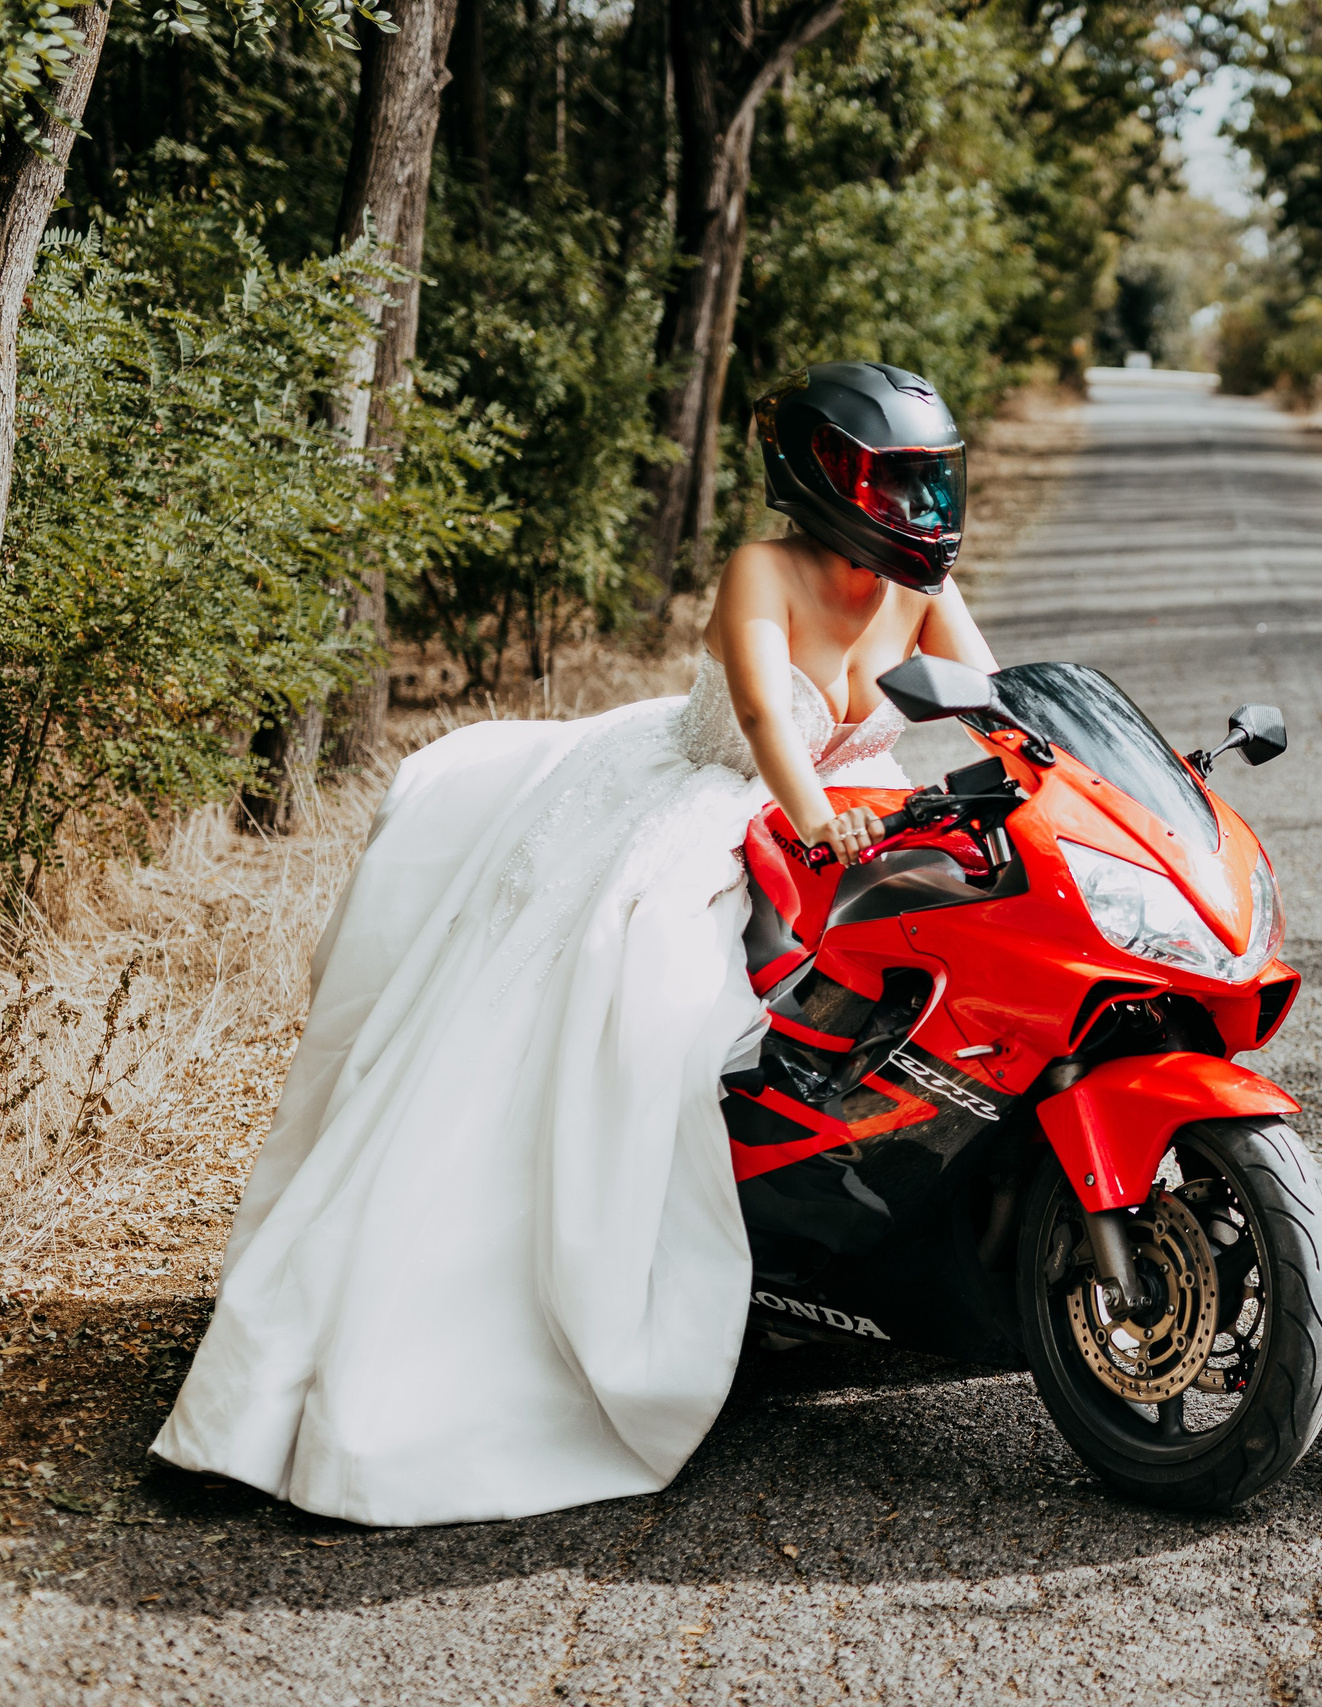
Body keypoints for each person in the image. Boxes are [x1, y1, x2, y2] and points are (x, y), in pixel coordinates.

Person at [152, 362, 996, 1527]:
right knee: (635, 1009)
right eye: (895, 480)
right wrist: (816, 822)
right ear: (824, 477)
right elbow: (763, 716)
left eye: (930, 480)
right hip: (718, 807)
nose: (920, 505)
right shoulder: (761, 569)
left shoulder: (923, 583)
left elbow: (994, 697)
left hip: (852, 815)